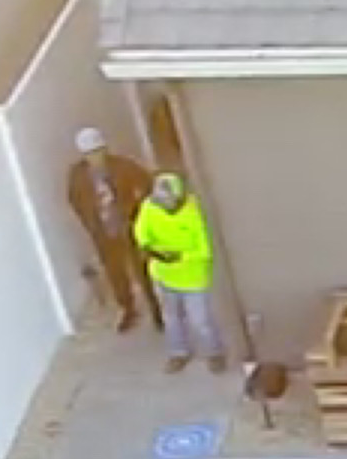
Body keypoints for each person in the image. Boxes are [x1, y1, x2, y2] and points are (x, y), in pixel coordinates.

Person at [132, 171, 226, 375]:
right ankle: (178, 353)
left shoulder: (193, 213)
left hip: (192, 278)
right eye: (161, 203)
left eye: (170, 204)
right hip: (162, 275)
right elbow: (140, 231)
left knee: (200, 321)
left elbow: (204, 250)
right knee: (171, 318)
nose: (166, 207)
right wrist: (149, 248)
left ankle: (214, 353)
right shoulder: (149, 207)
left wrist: (178, 257)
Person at [64, 129, 157, 334]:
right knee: (116, 273)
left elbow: (147, 182)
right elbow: (74, 198)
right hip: (103, 232)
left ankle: (155, 307)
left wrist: (138, 207)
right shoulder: (78, 175)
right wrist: (88, 220)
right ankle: (128, 308)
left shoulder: (121, 166)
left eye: (98, 151)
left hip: (128, 225)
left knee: (141, 267)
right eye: (90, 153)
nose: (95, 157)